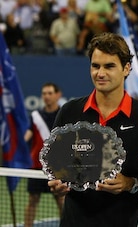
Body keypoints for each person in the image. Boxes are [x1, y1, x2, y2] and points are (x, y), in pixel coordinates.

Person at [47, 32, 138, 227]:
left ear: (126, 69)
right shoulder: (69, 112)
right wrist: (57, 184)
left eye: (109, 66)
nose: (100, 73)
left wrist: (131, 184)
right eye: (95, 66)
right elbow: (56, 168)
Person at [24, 82, 64, 227]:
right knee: (33, 200)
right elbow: (28, 135)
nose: (46, 96)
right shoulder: (36, 116)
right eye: (44, 93)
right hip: (36, 166)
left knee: (61, 200)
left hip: (57, 167)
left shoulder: (64, 114)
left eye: (50, 93)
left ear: (57, 95)